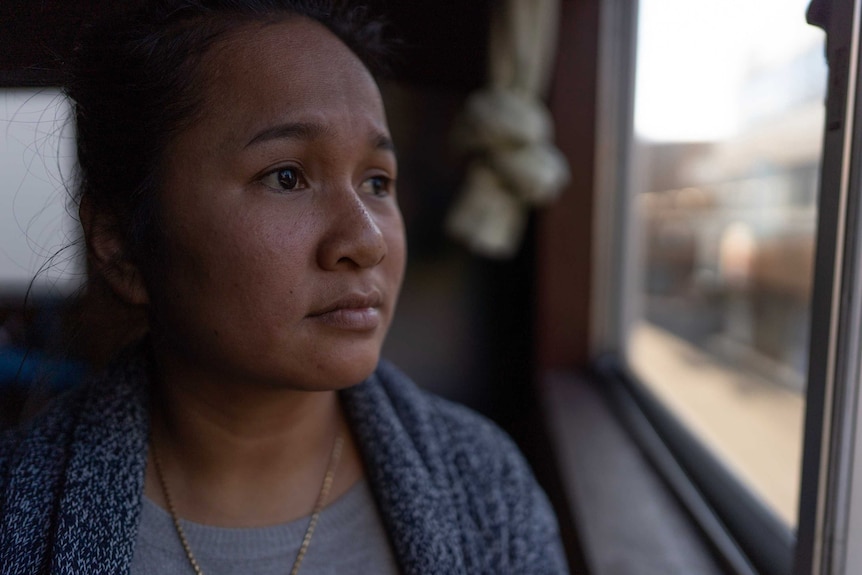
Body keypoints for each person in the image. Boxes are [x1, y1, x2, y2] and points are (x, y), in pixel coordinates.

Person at [0, 1, 569, 573]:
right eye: (287, 177)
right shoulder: (19, 513)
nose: (366, 242)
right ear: (121, 246)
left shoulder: (487, 489)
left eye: (377, 181)